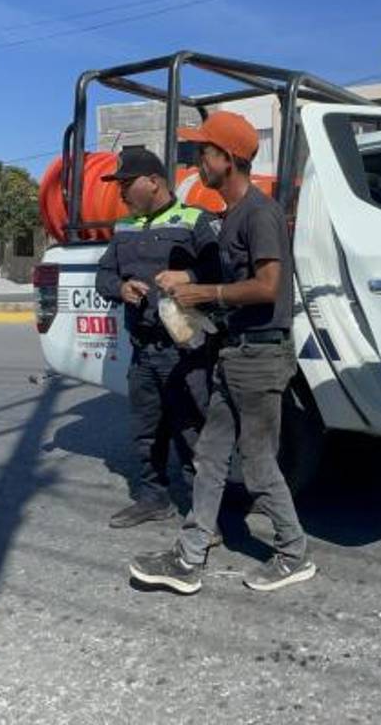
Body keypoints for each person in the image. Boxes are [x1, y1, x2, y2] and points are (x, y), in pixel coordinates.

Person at [129, 111, 314, 594]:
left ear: (227, 158)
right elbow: (234, 277)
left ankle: (294, 553)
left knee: (257, 464)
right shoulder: (231, 215)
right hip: (235, 355)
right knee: (210, 456)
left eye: (203, 152)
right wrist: (191, 280)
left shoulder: (259, 213)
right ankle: (189, 557)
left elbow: (269, 286)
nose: (196, 162)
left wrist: (205, 292)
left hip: (259, 358)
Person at [95, 148, 221, 527]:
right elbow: (103, 277)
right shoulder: (124, 227)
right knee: (146, 431)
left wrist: (189, 277)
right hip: (143, 350)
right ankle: (154, 499)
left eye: (125, 184)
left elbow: (222, 269)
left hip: (184, 350)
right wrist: (121, 287)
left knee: (192, 430)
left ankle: (203, 516)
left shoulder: (195, 220)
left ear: (153, 181)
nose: (120, 192)